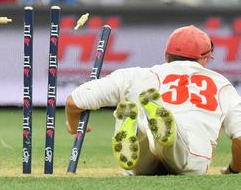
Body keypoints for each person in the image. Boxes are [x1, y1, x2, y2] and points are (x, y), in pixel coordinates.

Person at [65, 25, 241, 176]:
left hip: (142, 163)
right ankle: (162, 123)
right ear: (205, 58)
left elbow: (74, 102)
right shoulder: (222, 85)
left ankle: (136, 125)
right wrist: (233, 169)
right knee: (178, 147)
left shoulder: (135, 75)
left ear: (166, 55)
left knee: (145, 141)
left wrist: (73, 126)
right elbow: (239, 138)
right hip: (192, 155)